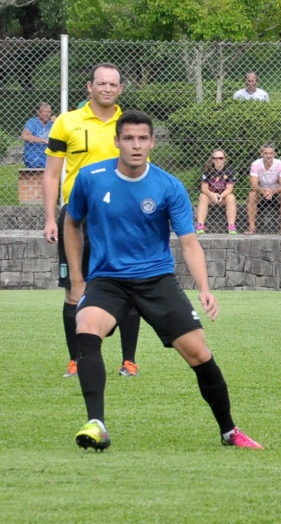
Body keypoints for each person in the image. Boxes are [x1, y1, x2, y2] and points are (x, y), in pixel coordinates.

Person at [63, 110, 262, 451]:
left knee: (199, 353)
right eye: (128, 138)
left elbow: (188, 241)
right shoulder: (90, 178)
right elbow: (71, 222)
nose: (135, 145)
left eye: (143, 139)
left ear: (152, 142)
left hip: (156, 280)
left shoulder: (168, 185)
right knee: (86, 326)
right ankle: (96, 423)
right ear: (117, 142)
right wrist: (78, 281)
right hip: (108, 280)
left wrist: (204, 288)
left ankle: (229, 431)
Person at [43, 63, 142, 380]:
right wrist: (49, 218)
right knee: (75, 288)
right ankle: (77, 361)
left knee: (128, 287)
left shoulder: (130, 125)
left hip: (121, 219)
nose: (107, 89)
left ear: (120, 89)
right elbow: (51, 173)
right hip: (77, 218)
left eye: (113, 84)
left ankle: (129, 361)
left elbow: (141, 174)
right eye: (102, 83)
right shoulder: (67, 122)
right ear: (89, 86)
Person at [246, 144, 281, 235]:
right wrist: (263, 191)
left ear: (274, 154)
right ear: (261, 154)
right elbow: (254, 185)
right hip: (260, 190)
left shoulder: (280, 164)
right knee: (251, 195)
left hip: (276, 191)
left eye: (271, 153)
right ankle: (251, 227)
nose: (269, 155)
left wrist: (272, 191)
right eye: (266, 153)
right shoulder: (256, 164)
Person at [195, 149, 237, 234]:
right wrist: (212, 195)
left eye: (221, 158)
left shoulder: (230, 170)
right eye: (215, 158)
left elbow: (229, 189)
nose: (218, 160)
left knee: (231, 197)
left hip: (224, 197)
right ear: (212, 159)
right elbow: (204, 188)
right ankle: (200, 225)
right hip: (210, 197)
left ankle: (231, 226)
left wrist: (221, 196)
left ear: (225, 159)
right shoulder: (207, 170)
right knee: (203, 196)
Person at [21, 101, 53, 168]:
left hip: (49, 157)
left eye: (49, 112)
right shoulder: (32, 122)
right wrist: (43, 140)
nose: (47, 114)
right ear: (38, 112)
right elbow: (24, 136)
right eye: (44, 111)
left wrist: (57, 122)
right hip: (33, 159)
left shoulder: (52, 123)